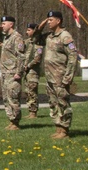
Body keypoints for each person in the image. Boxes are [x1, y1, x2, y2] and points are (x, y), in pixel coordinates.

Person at [30, 11, 79, 139]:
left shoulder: (65, 36)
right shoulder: (49, 36)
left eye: (51, 19)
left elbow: (73, 57)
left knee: (63, 103)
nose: (48, 22)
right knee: (53, 103)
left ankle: (64, 130)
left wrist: (68, 77)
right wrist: (40, 26)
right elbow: (35, 39)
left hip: (60, 76)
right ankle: (58, 128)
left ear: (58, 21)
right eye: (48, 20)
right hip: (50, 77)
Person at [0, 16, 28, 130]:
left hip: (13, 72)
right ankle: (11, 119)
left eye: (4, 23)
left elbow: (21, 56)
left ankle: (16, 122)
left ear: (11, 24)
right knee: (6, 98)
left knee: (13, 97)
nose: (2, 25)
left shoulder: (17, 37)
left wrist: (19, 72)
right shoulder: (6, 38)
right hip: (5, 72)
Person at [23, 23, 44, 119]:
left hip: (33, 71)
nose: (27, 32)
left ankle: (33, 112)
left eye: (29, 30)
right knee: (27, 91)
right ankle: (30, 110)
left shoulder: (38, 44)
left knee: (32, 91)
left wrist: (28, 65)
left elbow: (37, 58)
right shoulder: (27, 42)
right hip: (26, 71)